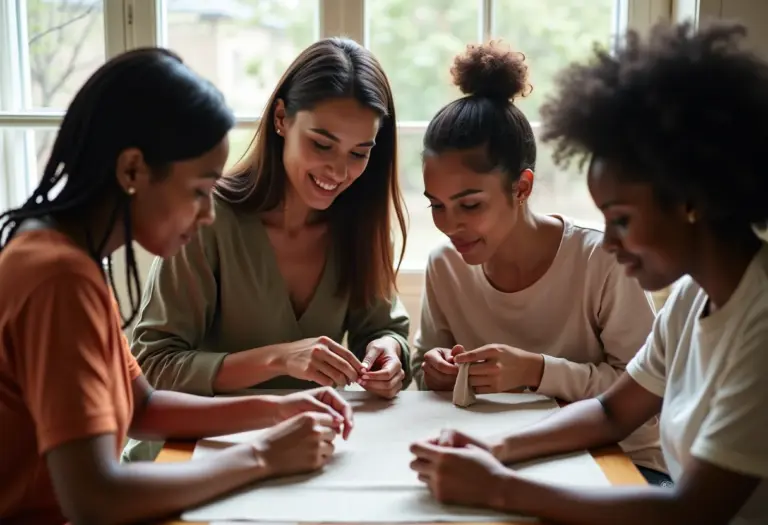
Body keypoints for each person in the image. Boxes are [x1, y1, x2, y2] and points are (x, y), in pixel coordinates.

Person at [409, 20, 768, 525]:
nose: (612, 242)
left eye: (622, 219)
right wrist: (495, 448)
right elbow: (611, 412)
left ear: (691, 200)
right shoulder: (692, 298)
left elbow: (695, 510)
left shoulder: (761, 319)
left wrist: (501, 488)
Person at [0, 48, 354, 525]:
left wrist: (277, 410)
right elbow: (94, 498)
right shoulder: (58, 277)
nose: (208, 215)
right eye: (199, 192)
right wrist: (262, 457)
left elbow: (142, 406)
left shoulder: (64, 252)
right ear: (132, 171)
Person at [122, 37, 411, 462]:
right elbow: (154, 367)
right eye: (322, 144)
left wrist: (388, 354)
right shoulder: (207, 217)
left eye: (358, 153)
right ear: (281, 118)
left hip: (306, 454)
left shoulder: (362, 225)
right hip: (190, 453)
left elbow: (386, 330)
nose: (338, 171)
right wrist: (278, 359)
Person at [410, 41, 665, 481]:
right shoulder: (445, 265)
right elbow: (422, 370)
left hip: (618, 464)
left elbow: (645, 398)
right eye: (437, 205)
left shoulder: (603, 259)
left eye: (470, 205)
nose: (450, 226)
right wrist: (434, 368)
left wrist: (537, 371)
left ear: (521, 187)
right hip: (497, 457)